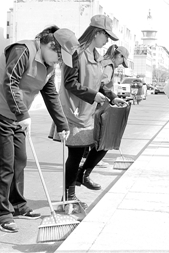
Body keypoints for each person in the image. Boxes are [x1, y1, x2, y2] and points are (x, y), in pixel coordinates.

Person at [0, 26, 78, 233]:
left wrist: (62, 124)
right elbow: (10, 82)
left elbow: (50, 95)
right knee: (5, 165)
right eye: (59, 56)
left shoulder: (48, 66)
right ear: (51, 45)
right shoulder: (22, 50)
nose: (59, 62)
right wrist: (22, 114)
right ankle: (2, 214)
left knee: (20, 160)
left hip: (16, 116)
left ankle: (17, 204)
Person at [49, 15, 126, 208]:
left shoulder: (97, 57)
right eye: (106, 36)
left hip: (88, 113)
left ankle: (76, 186)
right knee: (75, 154)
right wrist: (93, 96)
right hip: (74, 112)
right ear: (97, 32)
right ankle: (68, 197)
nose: (107, 41)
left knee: (96, 146)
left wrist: (111, 96)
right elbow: (69, 83)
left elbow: (99, 84)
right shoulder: (75, 52)